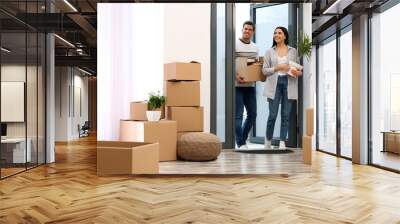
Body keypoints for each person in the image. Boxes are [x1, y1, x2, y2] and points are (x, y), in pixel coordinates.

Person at [262, 26, 302, 149]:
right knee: (272, 115)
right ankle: (268, 140)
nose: (276, 35)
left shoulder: (293, 51)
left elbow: (298, 70)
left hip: (289, 83)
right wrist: (278, 68)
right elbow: (264, 71)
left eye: (279, 33)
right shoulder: (269, 51)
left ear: (285, 36)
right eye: (275, 33)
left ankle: (282, 141)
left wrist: (297, 73)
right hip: (274, 83)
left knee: (285, 115)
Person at [235, 21, 259, 149]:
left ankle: (242, 139)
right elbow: (229, 62)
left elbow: (254, 66)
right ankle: (240, 142)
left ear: (253, 32)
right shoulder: (235, 44)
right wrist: (235, 76)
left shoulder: (255, 47)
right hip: (236, 85)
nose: (247, 31)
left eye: (250, 29)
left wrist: (256, 76)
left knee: (253, 114)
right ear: (242, 29)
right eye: (245, 29)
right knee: (238, 115)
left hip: (250, 86)